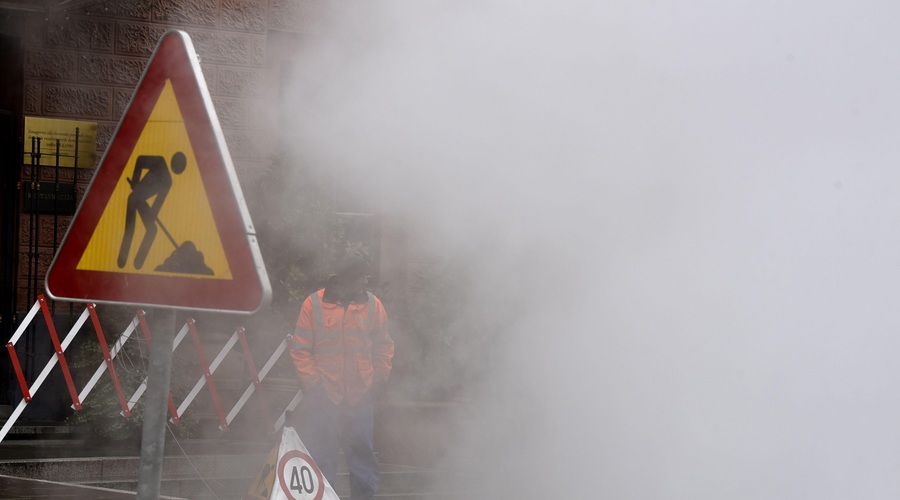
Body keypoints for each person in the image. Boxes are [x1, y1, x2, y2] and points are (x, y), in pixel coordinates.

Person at [289, 255, 394, 500]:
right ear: (346, 279)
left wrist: (379, 379)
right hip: (325, 397)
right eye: (362, 276)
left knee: (362, 457)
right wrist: (314, 386)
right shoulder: (313, 304)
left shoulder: (373, 305)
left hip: (360, 396)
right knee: (323, 457)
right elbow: (300, 350)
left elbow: (384, 345)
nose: (366, 280)